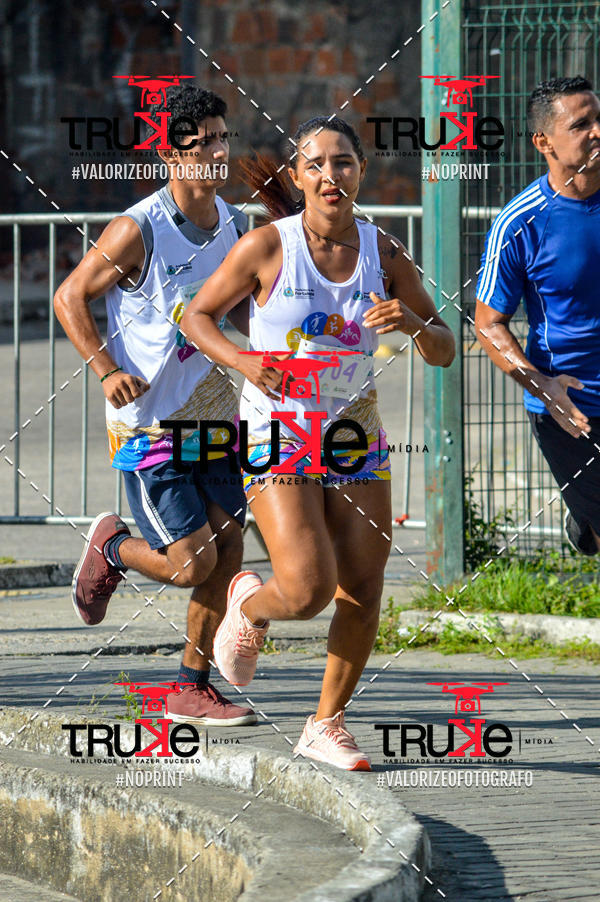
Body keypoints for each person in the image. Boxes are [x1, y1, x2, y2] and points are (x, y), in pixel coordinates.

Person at [180, 116, 455, 770]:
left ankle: (325, 724)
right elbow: (196, 317)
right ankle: (248, 602)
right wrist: (245, 362)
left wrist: (413, 322)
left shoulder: (383, 253)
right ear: (300, 177)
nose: (331, 175)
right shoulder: (268, 247)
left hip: (353, 422)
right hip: (281, 419)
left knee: (363, 583)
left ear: (362, 172)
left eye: (344, 163)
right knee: (306, 590)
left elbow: (444, 349)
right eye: (317, 165)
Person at [54, 85, 257, 726]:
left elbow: (239, 309)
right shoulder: (138, 229)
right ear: (174, 154)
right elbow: (69, 296)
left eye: (226, 138)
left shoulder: (232, 223)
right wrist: (106, 367)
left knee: (228, 553)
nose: (220, 152)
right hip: (148, 424)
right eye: (207, 142)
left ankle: (190, 687)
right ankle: (114, 546)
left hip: (213, 413)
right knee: (191, 560)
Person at [475, 76, 600, 555]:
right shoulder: (519, 222)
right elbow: (488, 322)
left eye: (599, 118)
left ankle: (585, 523)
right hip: (571, 410)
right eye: (582, 124)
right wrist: (541, 386)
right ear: (543, 141)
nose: (596, 131)